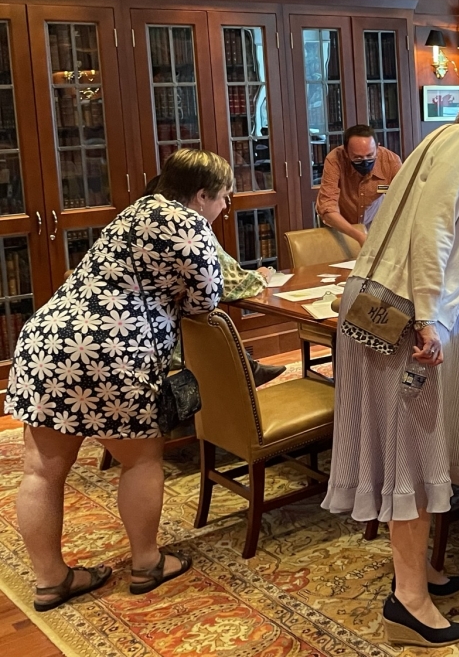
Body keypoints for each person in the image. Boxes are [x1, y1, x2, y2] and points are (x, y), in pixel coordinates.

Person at [322, 84, 459, 647]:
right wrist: (426, 317)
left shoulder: (440, 139)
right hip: (402, 319)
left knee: (407, 448)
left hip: (380, 306)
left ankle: (417, 575)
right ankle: (409, 603)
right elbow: (435, 232)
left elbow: (458, 258)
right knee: (413, 453)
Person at [5, 149, 231, 611]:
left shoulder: (137, 209)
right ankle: (147, 562)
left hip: (48, 343)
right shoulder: (191, 226)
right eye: (224, 197)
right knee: (140, 460)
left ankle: (51, 580)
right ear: (202, 194)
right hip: (113, 355)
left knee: (41, 471)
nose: (225, 207)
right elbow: (207, 300)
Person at [143, 175, 285, 387]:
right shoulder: (189, 230)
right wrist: (262, 275)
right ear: (199, 197)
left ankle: (246, 364)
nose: (224, 206)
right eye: (224, 198)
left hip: (142, 334)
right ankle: (244, 367)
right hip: (168, 342)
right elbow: (227, 283)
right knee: (207, 316)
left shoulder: (145, 226)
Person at [316, 124, 402, 246]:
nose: (365, 161)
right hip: (339, 226)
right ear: (346, 152)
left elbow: (405, 199)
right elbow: (327, 208)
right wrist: (358, 236)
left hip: (374, 224)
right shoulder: (334, 159)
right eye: (357, 158)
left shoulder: (391, 161)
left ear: (377, 148)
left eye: (370, 155)